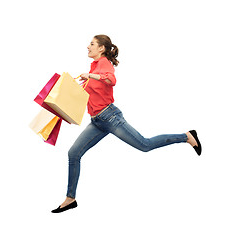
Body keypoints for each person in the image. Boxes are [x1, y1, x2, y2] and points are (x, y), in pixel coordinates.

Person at [51, 35, 202, 213]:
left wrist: (91, 76)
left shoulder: (104, 63)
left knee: (145, 145)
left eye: (92, 44)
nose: (87, 47)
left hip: (110, 118)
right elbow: (95, 90)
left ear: (101, 49)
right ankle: (70, 199)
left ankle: (187, 136)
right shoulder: (94, 66)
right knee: (73, 153)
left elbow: (111, 79)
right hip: (97, 121)